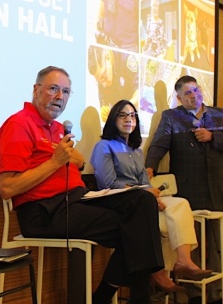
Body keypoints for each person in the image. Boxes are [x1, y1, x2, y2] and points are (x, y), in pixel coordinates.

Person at [0, 66, 180, 304]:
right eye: (53, 88)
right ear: (36, 90)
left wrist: (70, 160)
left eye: (66, 91)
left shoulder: (57, 129)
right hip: (44, 213)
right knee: (136, 227)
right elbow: (7, 187)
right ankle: (114, 303)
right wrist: (54, 162)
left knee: (142, 201)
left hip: (76, 200)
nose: (60, 96)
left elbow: (77, 162)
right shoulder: (18, 125)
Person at [145, 75, 223, 304]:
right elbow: (159, 145)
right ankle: (195, 295)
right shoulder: (171, 117)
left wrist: (213, 137)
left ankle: (218, 295)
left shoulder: (218, 115)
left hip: (218, 190)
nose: (193, 96)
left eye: (196, 90)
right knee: (194, 245)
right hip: (190, 191)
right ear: (179, 97)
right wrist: (150, 167)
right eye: (187, 93)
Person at [90, 99, 212, 293]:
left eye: (132, 116)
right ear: (113, 119)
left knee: (178, 205)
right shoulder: (104, 146)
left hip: (141, 200)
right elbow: (108, 184)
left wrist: (152, 196)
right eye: (122, 115)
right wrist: (144, 192)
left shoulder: (136, 151)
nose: (128, 119)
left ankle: (182, 260)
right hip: (119, 203)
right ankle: (160, 271)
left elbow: (144, 182)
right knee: (160, 221)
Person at [88, 45, 139, 123]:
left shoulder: (126, 59)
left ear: (108, 57)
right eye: (100, 82)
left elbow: (139, 95)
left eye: (104, 77)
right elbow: (104, 105)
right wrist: (104, 113)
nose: (104, 85)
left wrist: (124, 109)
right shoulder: (102, 81)